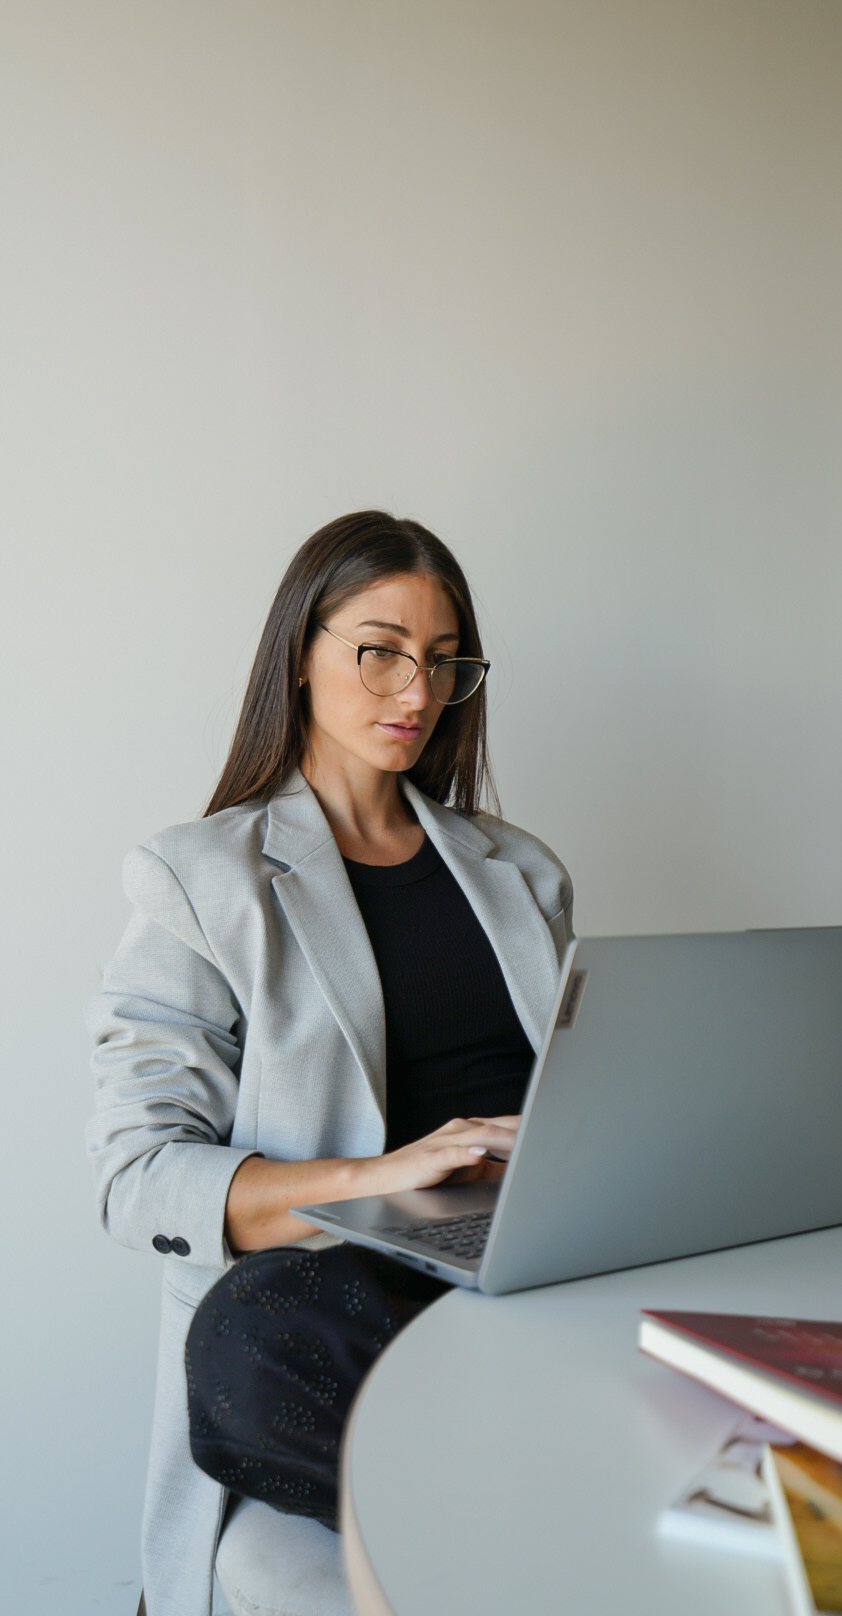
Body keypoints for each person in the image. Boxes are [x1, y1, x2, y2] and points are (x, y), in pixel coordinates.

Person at [87, 511, 573, 1616]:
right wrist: (386, 1178)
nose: (418, 686)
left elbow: (574, 1088)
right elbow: (136, 1178)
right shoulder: (198, 876)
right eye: (382, 647)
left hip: (528, 1262)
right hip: (351, 1297)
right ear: (300, 655)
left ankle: (530, 1465)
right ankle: (509, 1493)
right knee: (257, 1331)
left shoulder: (523, 869)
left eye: (446, 658)